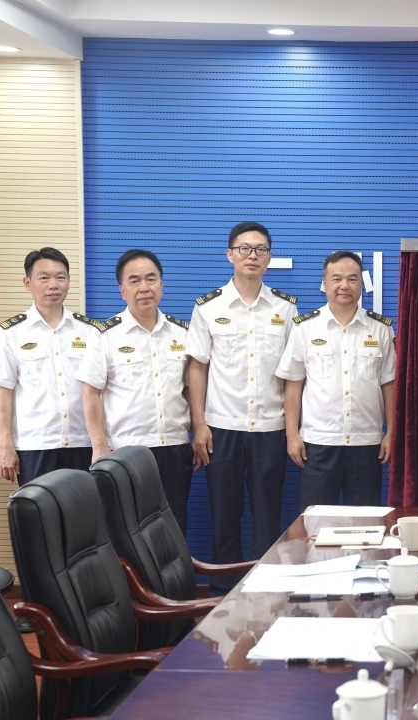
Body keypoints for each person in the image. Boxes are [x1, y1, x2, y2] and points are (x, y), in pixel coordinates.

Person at [186, 221, 299, 595]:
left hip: (270, 428)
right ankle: (222, 598)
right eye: (245, 249)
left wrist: (292, 430)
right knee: (224, 518)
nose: (253, 255)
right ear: (230, 254)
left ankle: (264, 595)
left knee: (268, 519)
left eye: (261, 250)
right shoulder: (208, 307)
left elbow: (293, 375)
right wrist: (199, 424)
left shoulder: (285, 308)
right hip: (222, 428)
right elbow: (197, 368)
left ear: (269, 257)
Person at [76, 249, 194, 532]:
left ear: (161, 284)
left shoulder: (182, 333)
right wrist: (100, 448)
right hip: (124, 450)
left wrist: (198, 431)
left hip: (174, 447)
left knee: (174, 526)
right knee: (128, 530)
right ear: (122, 290)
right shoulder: (105, 335)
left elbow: (191, 390)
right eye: (134, 280)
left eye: (151, 279)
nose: (144, 287)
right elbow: (90, 393)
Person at [276, 251, 396, 507]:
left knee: (364, 522)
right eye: (337, 278)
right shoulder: (305, 327)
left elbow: (389, 384)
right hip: (318, 443)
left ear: (361, 284)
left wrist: (391, 432)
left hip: (367, 442)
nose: (344, 285)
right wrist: (292, 435)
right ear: (324, 283)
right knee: (316, 522)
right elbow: (293, 384)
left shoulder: (381, 328)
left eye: (352, 279)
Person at [0, 248, 96, 485]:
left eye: (60, 277)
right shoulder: (11, 332)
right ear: (28, 283)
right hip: (35, 446)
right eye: (44, 277)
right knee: (38, 509)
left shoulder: (89, 330)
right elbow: (3, 393)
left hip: (84, 443)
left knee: (86, 509)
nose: (53, 285)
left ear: (69, 281)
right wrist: (5, 446)